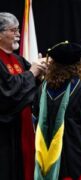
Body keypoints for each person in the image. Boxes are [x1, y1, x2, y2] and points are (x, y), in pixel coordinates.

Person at [32, 41, 81, 179]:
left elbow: (36, 121)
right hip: (76, 160)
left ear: (53, 65)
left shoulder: (42, 89)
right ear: (78, 65)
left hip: (46, 157)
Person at [0, 12, 46, 180]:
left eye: (19, 30)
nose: (18, 34)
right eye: (14, 30)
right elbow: (6, 92)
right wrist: (32, 73)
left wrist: (41, 73)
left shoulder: (19, 60)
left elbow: (31, 86)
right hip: (5, 132)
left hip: (23, 126)